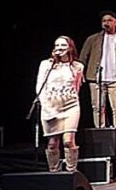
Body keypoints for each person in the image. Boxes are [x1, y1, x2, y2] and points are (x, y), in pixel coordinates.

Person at [78, 11, 116, 139]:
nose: (106, 23)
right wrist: (80, 73)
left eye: (109, 20)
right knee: (98, 108)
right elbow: (83, 57)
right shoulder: (92, 39)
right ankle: (101, 133)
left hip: (115, 79)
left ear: (115, 22)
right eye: (104, 21)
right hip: (96, 79)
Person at [36, 36, 85, 172]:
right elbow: (40, 86)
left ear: (70, 48)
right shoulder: (46, 65)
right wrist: (45, 105)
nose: (59, 48)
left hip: (71, 106)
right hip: (50, 107)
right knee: (53, 143)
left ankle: (71, 172)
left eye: (63, 45)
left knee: (68, 140)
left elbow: (77, 87)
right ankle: (54, 171)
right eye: (57, 45)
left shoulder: (78, 66)